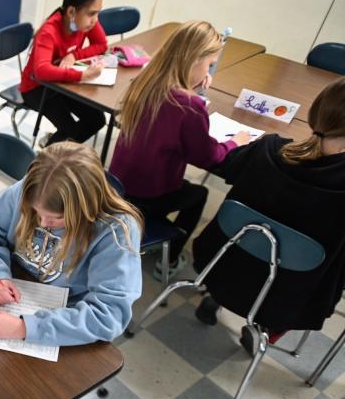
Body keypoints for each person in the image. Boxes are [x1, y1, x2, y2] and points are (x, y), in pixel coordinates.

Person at [192, 76, 345, 345]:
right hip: (289, 296)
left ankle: (216, 297)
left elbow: (227, 166)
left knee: (251, 247)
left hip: (225, 264)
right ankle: (266, 331)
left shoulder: (267, 148)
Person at [109, 20, 252, 279]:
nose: (209, 71)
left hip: (117, 185)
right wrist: (234, 143)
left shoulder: (145, 81)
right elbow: (207, 156)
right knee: (199, 194)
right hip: (146, 195)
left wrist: (192, 89)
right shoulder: (189, 106)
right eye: (209, 64)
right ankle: (170, 258)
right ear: (195, 60)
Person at [0, 142, 142, 346]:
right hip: (19, 292)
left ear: (84, 207)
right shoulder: (33, 190)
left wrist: (24, 328)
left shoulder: (116, 230)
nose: (42, 223)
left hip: (65, 322)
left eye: (55, 218)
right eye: (36, 211)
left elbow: (109, 314)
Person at [18, 0, 109, 146]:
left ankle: (54, 146)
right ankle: (45, 162)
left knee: (97, 119)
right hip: (36, 88)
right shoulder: (49, 31)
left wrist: (74, 55)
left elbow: (102, 45)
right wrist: (82, 75)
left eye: (98, 13)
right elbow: (42, 71)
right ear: (71, 12)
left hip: (62, 84)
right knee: (70, 130)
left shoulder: (86, 23)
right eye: (91, 13)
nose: (95, 19)